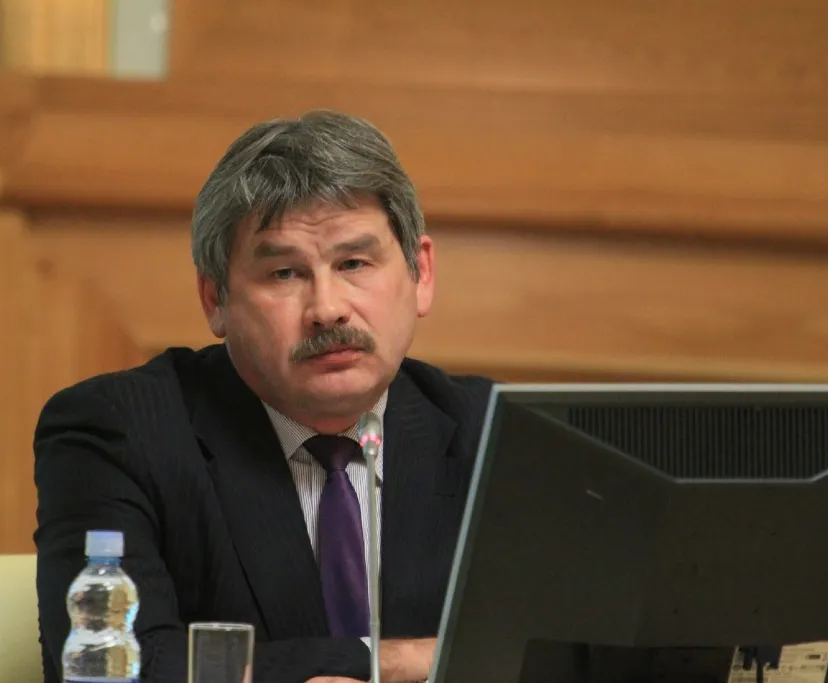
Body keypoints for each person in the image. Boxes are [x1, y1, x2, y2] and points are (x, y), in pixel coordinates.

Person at [33, 110, 494, 683]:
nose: (327, 308)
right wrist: (393, 661)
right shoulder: (119, 431)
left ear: (420, 273)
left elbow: (577, 648)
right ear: (215, 300)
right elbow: (113, 665)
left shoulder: (494, 433)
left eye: (354, 263)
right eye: (284, 274)